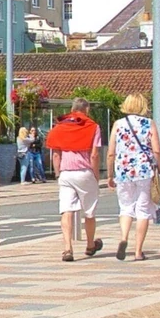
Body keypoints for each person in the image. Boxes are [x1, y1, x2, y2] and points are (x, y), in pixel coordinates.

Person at [109, 94, 160, 261]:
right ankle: (138, 251)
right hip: (145, 171)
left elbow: (111, 152)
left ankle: (124, 237)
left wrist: (110, 174)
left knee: (125, 207)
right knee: (143, 210)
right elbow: (157, 150)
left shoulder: (118, 125)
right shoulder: (149, 124)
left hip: (123, 171)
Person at [47, 105, 103, 261]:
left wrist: (58, 174)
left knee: (66, 210)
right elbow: (94, 155)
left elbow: (56, 155)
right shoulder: (92, 127)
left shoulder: (60, 127)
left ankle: (67, 248)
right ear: (86, 109)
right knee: (89, 211)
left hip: (66, 173)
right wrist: (96, 175)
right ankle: (90, 244)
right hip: (84, 172)